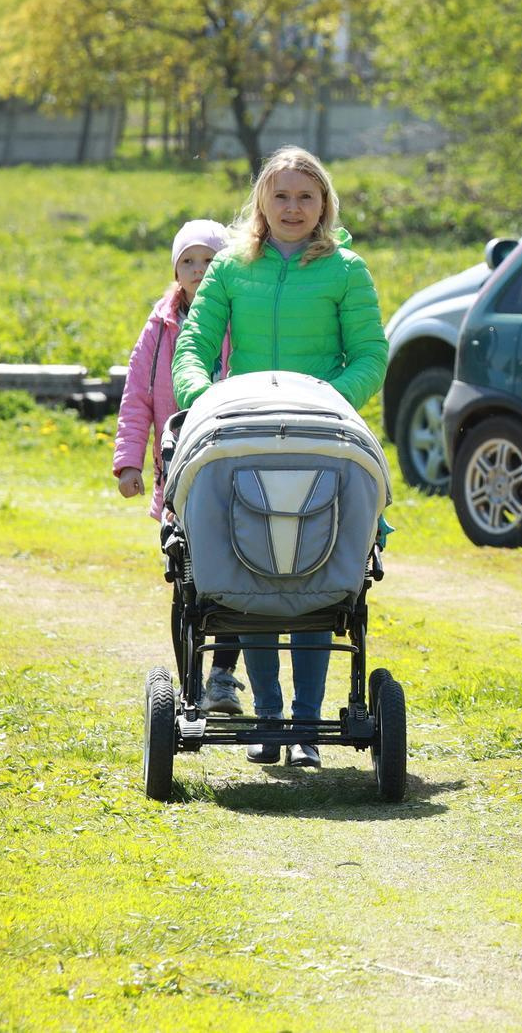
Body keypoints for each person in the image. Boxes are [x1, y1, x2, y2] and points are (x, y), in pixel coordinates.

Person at [173, 148, 387, 768]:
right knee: (253, 581)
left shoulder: (346, 270)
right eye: (282, 196)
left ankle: (305, 728)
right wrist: (204, 399)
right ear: (261, 201)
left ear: (324, 204)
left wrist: (325, 402)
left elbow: (370, 354)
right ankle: (270, 723)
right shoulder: (231, 271)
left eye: (306, 197)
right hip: (245, 437)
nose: (293, 208)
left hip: (321, 438)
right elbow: (194, 345)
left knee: (315, 582)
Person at [116, 218, 242, 713]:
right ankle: (190, 681)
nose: (197, 269)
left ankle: (223, 677)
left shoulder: (240, 315)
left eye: (208, 260)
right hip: (180, 468)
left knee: (235, 572)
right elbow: (137, 397)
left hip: (232, 461)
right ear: (175, 269)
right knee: (187, 577)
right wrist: (128, 462)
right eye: (187, 261)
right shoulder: (162, 324)